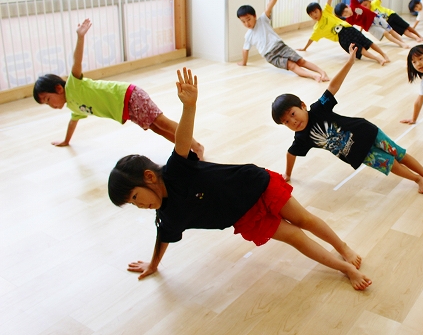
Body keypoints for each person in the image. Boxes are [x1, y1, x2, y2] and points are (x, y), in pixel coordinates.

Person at [108, 68, 372, 291]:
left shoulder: (176, 171)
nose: (139, 205)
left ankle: (343, 248)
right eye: (132, 204)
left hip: (256, 185)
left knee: (304, 220)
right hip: (246, 217)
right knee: (295, 237)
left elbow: (182, 140)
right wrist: (153, 264)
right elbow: (163, 236)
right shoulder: (167, 216)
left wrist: (189, 106)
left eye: (135, 197)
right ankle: (346, 269)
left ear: (149, 177)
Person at [272, 44, 423, 194]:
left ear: (302, 105)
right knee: (390, 164)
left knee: (398, 153)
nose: (293, 122)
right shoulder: (301, 138)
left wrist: (349, 63)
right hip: (358, 154)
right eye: (286, 122)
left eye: (292, 114)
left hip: (366, 132)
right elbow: (291, 153)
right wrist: (287, 174)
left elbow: (333, 86)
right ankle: (417, 179)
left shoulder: (318, 109)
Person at [33, 18, 204, 158]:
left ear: (58, 88)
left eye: (48, 100)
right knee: (158, 129)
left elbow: (76, 61)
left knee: (162, 123)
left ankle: (196, 146)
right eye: (46, 104)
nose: (51, 105)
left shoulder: (73, 85)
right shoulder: (73, 105)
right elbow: (73, 122)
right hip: (128, 110)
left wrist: (80, 37)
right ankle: (187, 151)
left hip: (129, 97)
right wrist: (66, 141)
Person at [237, 0, 330, 82]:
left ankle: (322, 72)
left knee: (301, 61)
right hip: (270, 56)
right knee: (291, 66)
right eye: (243, 21)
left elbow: (268, 7)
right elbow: (245, 49)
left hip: (280, 46)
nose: (247, 23)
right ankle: (314, 76)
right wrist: (244, 62)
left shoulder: (262, 20)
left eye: (248, 19)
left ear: (255, 16)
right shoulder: (248, 35)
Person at [299, 0, 390, 65]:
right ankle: (378, 59)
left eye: (315, 12)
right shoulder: (317, 28)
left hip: (348, 29)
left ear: (320, 10)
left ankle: (383, 55)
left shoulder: (326, 12)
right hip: (342, 38)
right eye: (311, 14)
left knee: (367, 42)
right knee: (358, 49)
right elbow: (311, 39)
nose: (314, 15)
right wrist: (304, 48)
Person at [334, 0, 409, 49]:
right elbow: (345, 26)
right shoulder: (349, 20)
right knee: (385, 33)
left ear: (347, 6)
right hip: (369, 26)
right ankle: (401, 44)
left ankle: (403, 42)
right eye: (345, 15)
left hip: (375, 17)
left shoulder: (353, 4)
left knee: (390, 30)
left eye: (346, 11)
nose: (348, 14)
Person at [359, 0, 423, 42]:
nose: (365, 7)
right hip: (387, 22)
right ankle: (416, 38)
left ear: (369, 1)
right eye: (363, 6)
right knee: (402, 31)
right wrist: (360, 32)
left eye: (366, 5)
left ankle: (419, 36)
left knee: (407, 27)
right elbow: (363, 22)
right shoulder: (367, 13)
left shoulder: (374, 3)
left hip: (392, 15)